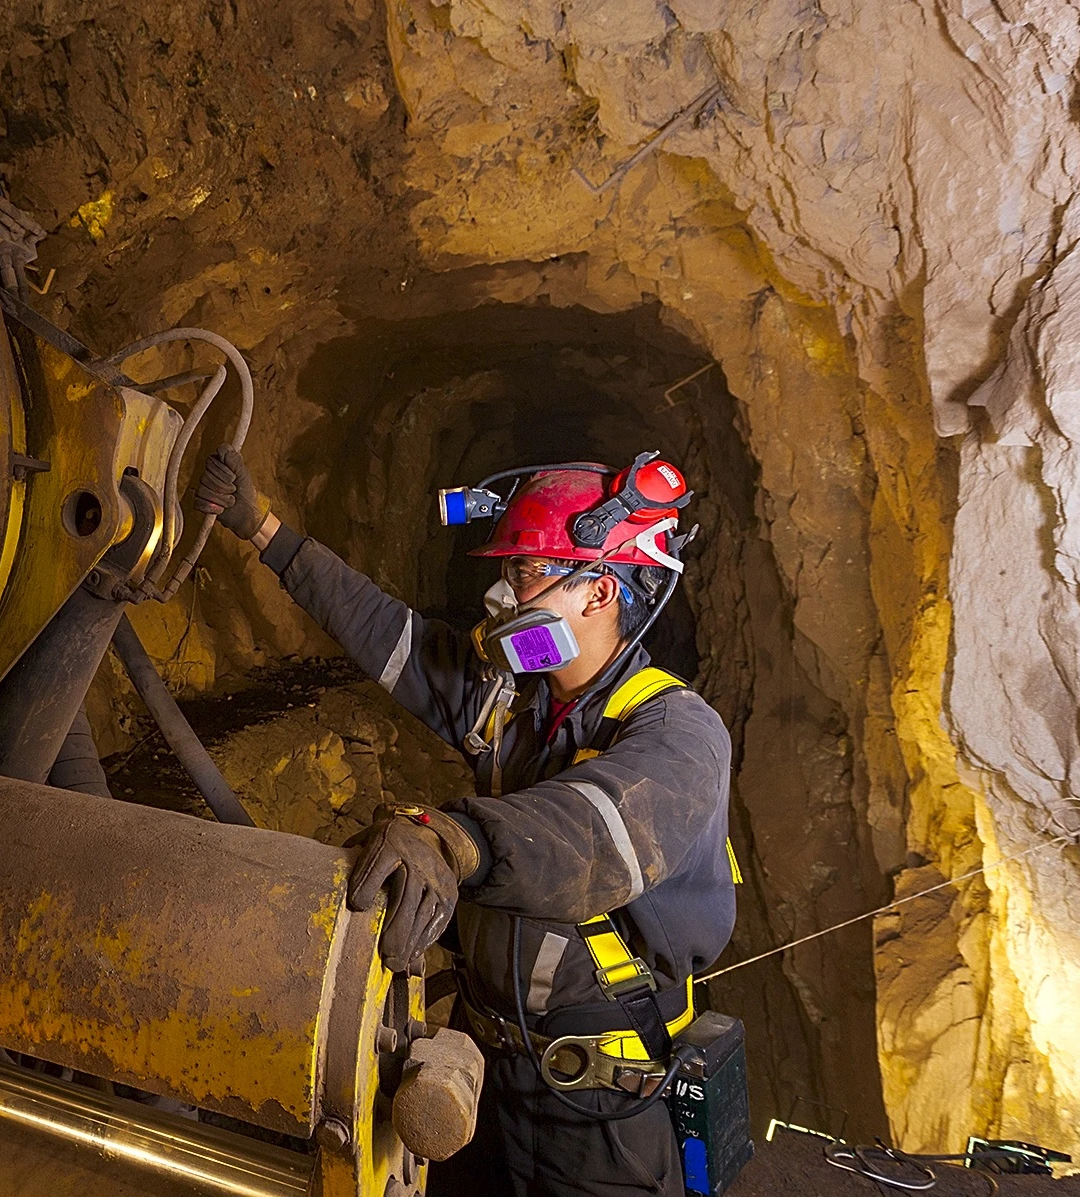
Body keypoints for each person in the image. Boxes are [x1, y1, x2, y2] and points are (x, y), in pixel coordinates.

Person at [193, 445, 736, 1197]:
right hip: (480, 1076)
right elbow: (392, 637)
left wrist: (455, 838)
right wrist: (265, 530)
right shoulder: (515, 699)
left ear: (600, 592)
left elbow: (591, 833)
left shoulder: (680, 733)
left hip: (598, 1115)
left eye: (528, 571)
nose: (501, 592)